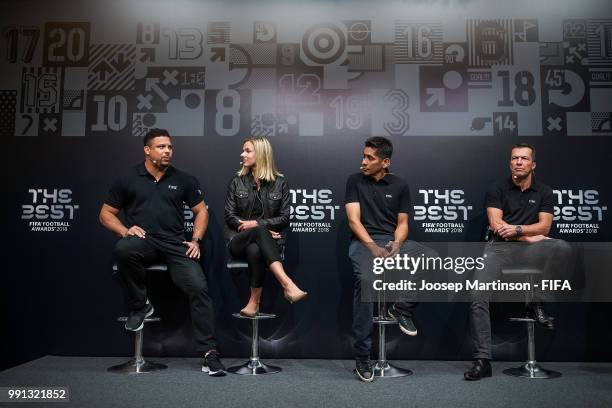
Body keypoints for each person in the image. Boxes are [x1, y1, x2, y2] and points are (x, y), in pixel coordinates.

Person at [99, 128, 226, 376]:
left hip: (175, 243)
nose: (167, 151)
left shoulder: (184, 179)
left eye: (170, 147)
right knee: (123, 249)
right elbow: (105, 214)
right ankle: (141, 305)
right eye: (161, 147)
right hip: (144, 240)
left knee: (199, 287)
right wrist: (125, 231)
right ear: (147, 150)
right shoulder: (127, 178)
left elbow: (201, 211)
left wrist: (196, 239)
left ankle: (210, 353)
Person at [464, 143, 572, 381]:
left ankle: (536, 301)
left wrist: (520, 230)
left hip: (530, 252)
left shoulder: (544, 191)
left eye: (524, 158)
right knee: (476, 293)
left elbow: (545, 226)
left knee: (562, 247)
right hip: (499, 249)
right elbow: (497, 226)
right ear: (510, 163)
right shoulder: (497, 188)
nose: (519, 162)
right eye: (515, 158)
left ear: (533, 164)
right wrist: (529, 236)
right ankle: (482, 360)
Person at [346, 136, 434, 383]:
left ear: (385, 162)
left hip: (393, 241)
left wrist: (396, 243)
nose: (363, 161)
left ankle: (402, 308)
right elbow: (353, 221)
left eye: (369, 158)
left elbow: (403, 223)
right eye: (363, 156)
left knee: (432, 258)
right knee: (366, 280)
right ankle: (363, 356)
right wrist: (373, 247)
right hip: (363, 243)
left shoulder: (400, 185)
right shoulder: (354, 181)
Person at [224, 137, 307, 317]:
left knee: (255, 249)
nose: (242, 154)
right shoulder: (237, 181)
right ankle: (287, 284)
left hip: (264, 245)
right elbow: (230, 217)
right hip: (238, 241)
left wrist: (259, 227)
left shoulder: (280, 182)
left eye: (247, 151)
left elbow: (285, 218)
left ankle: (254, 302)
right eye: (243, 150)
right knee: (259, 233)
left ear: (261, 154)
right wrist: (259, 228)